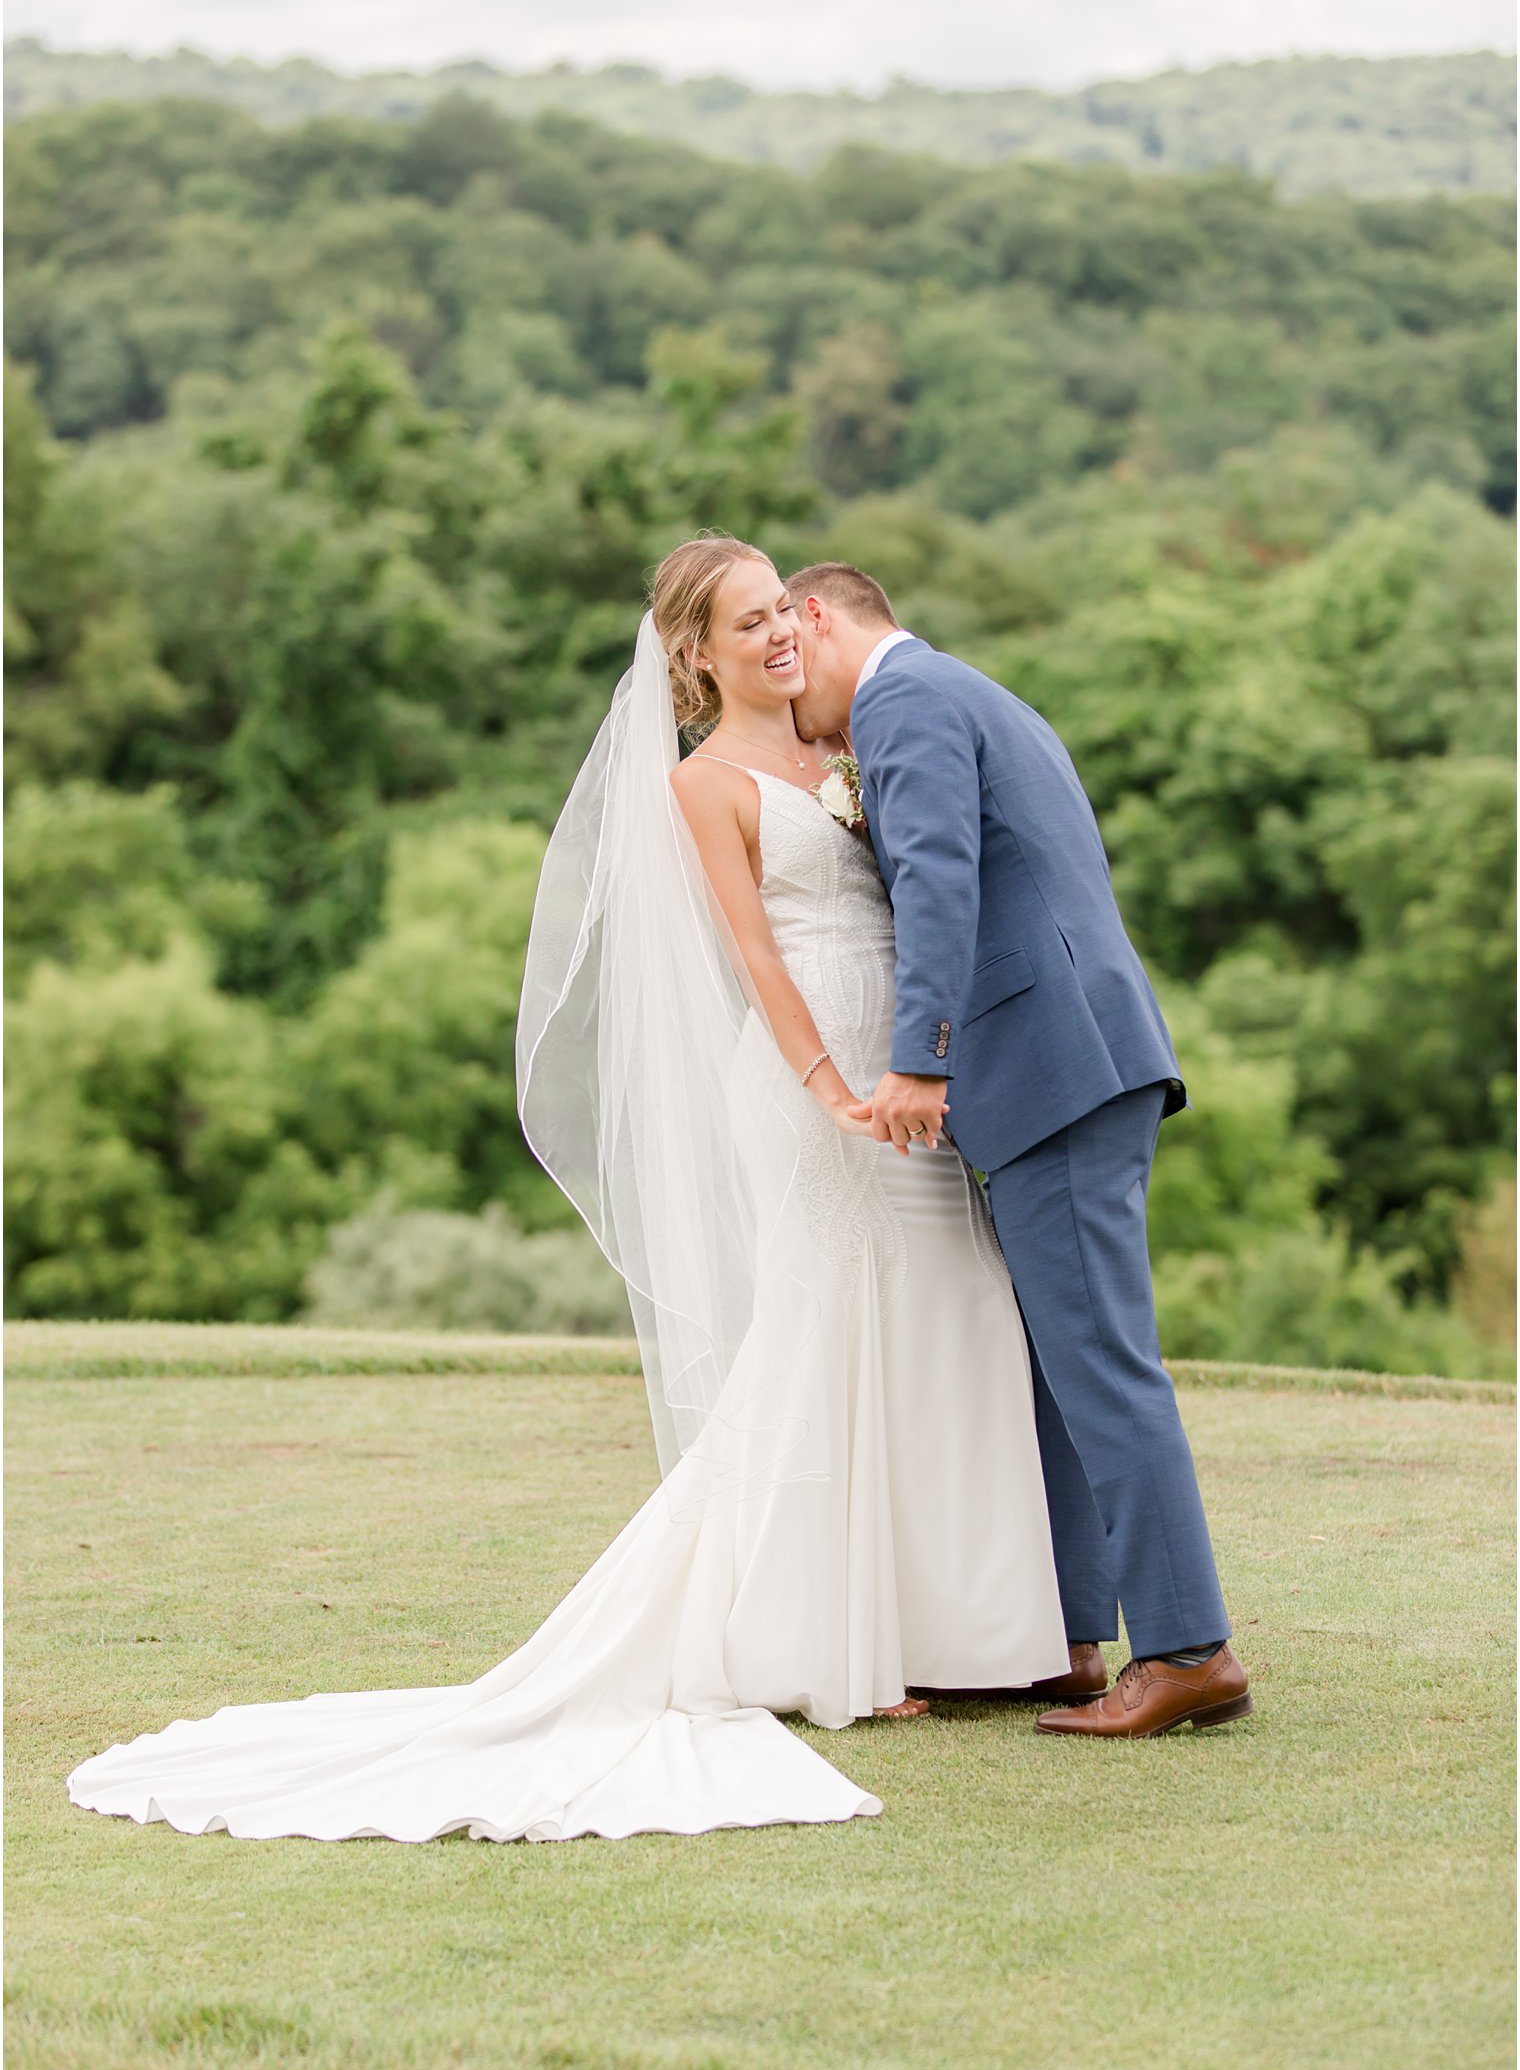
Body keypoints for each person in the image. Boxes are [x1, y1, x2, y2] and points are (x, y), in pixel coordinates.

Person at [65, 535, 1071, 1847]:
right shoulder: (703, 784)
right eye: (749, 620)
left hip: (906, 1064)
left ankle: (970, 1629)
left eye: (786, 611)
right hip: (808, 1072)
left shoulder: (849, 747)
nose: (780, 632)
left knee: (952, 1308)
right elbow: (754, 956)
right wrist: (825, 1081)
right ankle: (816, 1642)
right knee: (827, 1333)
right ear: (695, 655)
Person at [784, 560, 1252, 1739]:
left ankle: (1190, 1649)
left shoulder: (904, 701)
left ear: (818, 616)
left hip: (1048, 1067)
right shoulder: (965, 691)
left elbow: (941, 876)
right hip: (1065, 1061)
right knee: (1057, 1365)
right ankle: (1066, 1637)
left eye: (795, 672)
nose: (800, 710)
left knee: (1098, 1359)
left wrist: (921, 1054)